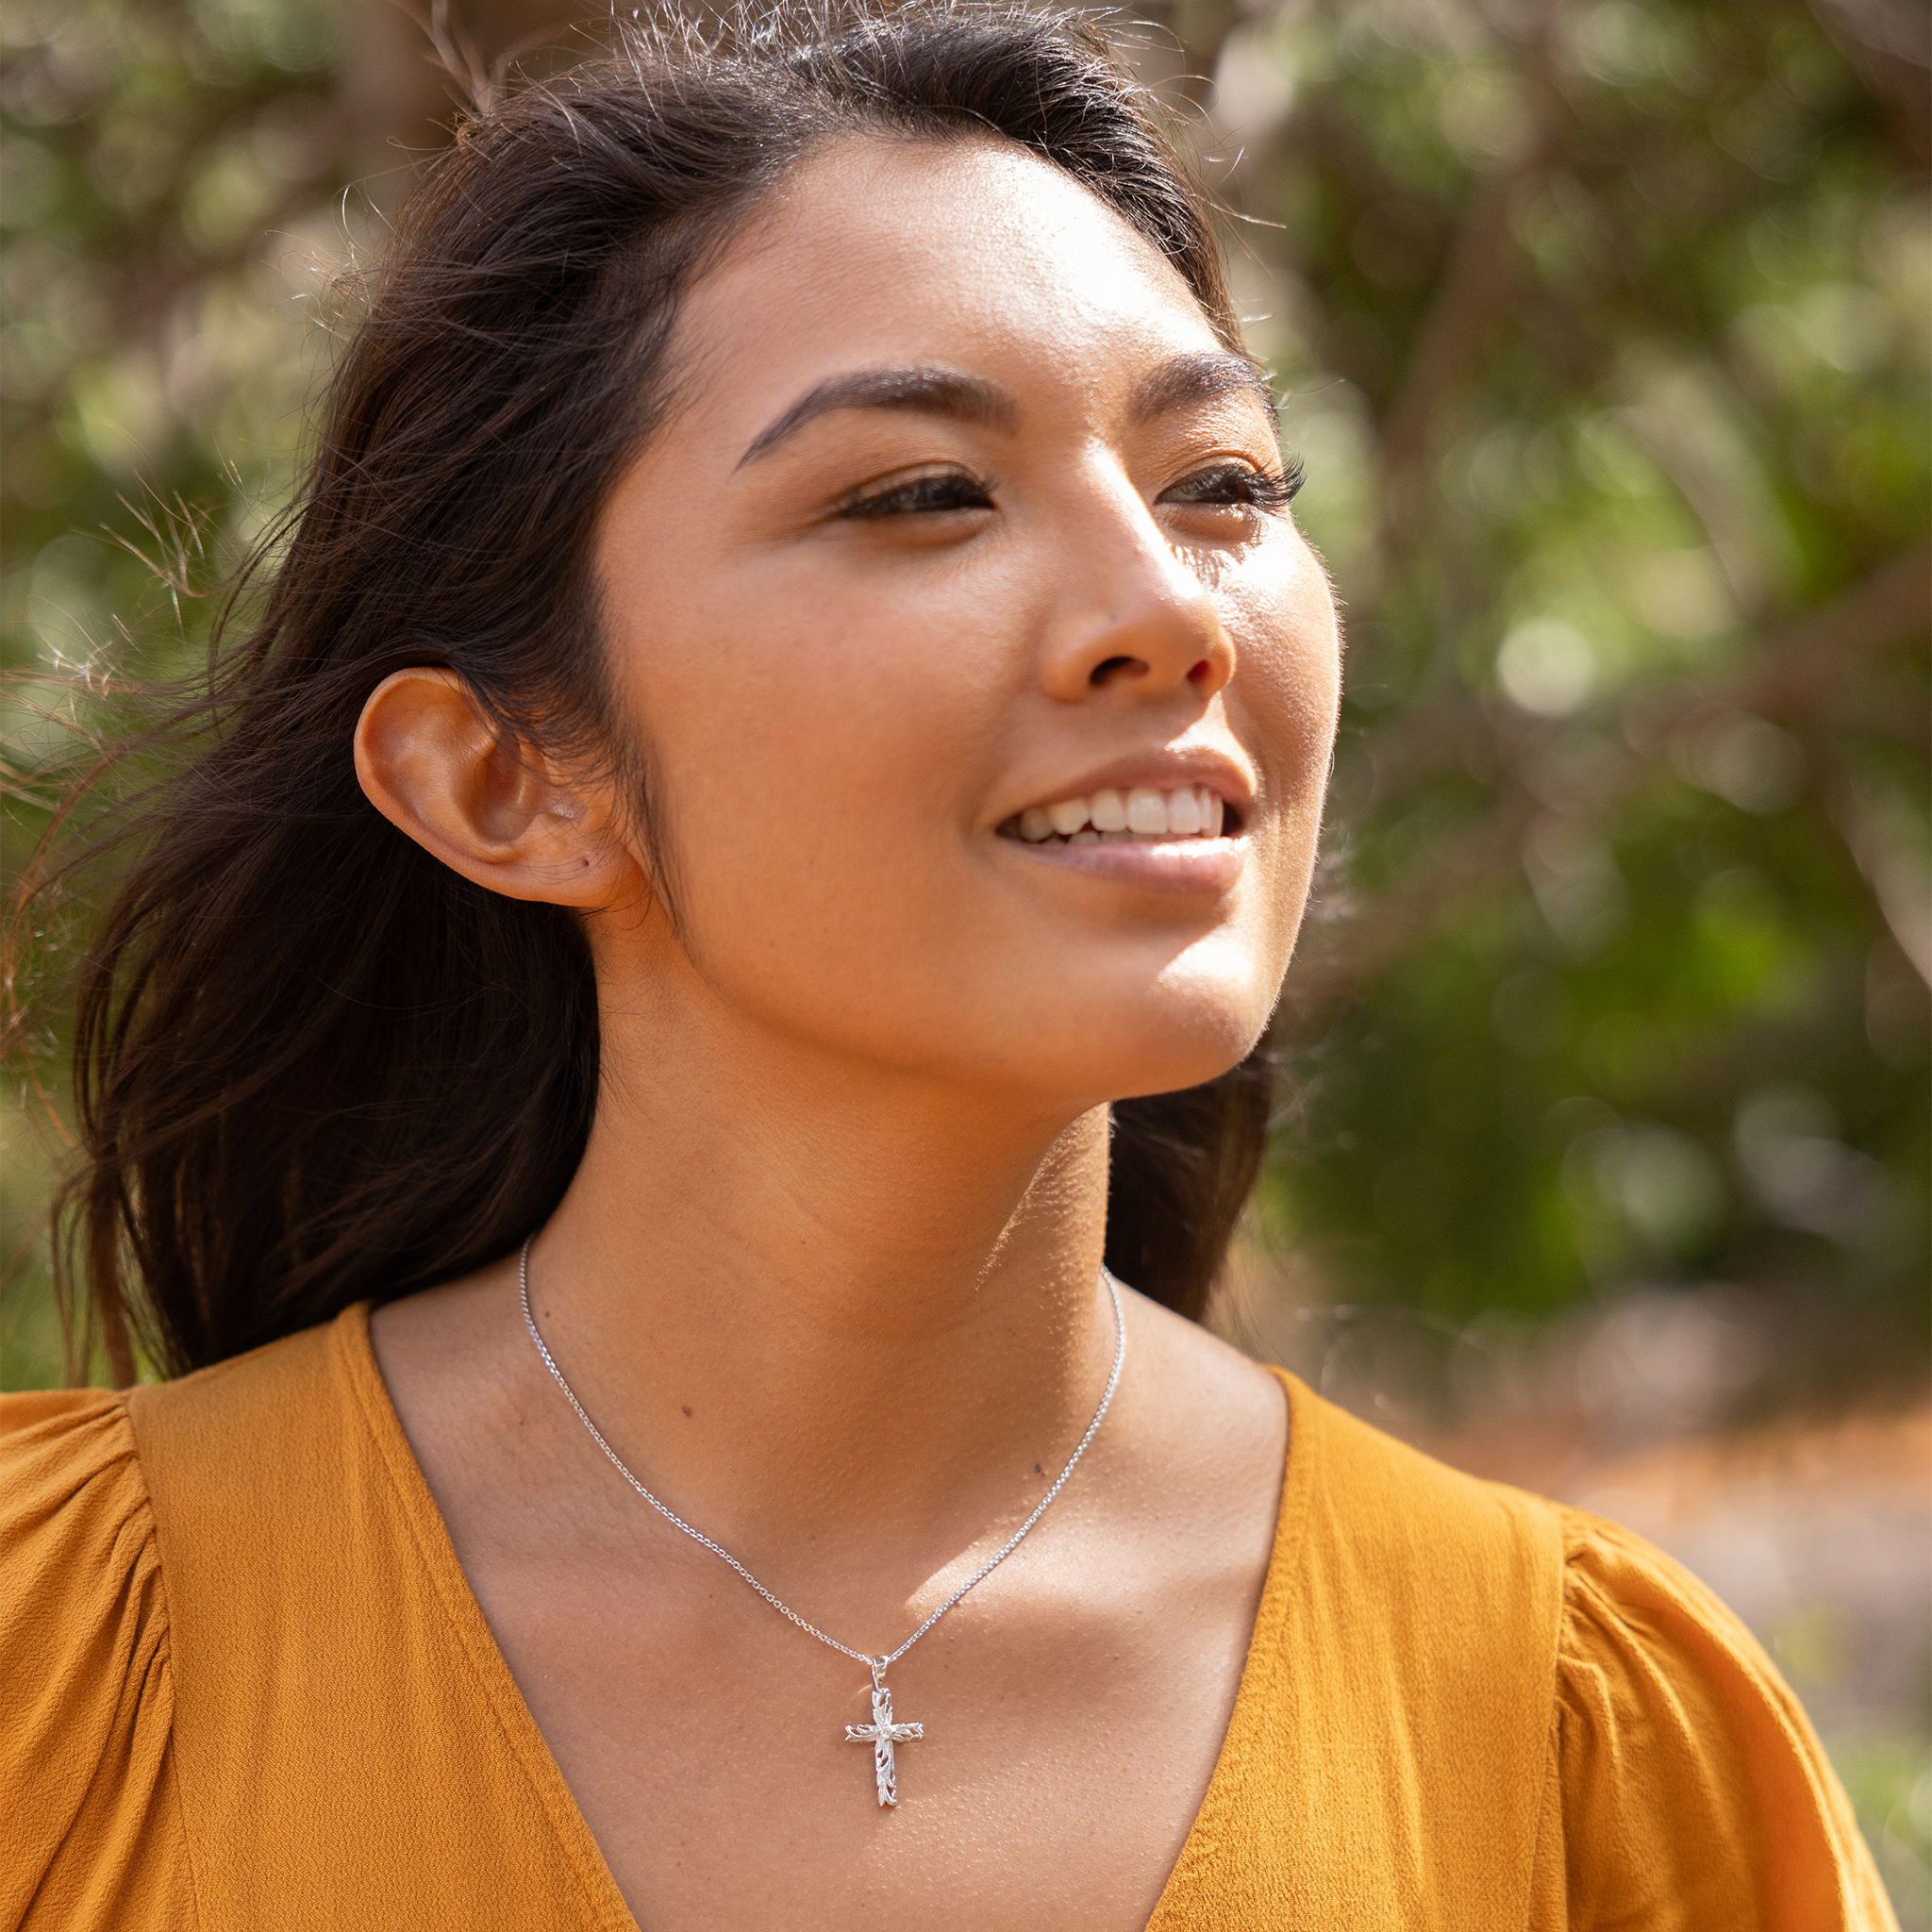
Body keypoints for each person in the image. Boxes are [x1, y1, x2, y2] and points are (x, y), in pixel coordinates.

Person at [0, 7, 1894, 1927]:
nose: (1165, 608)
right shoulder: (55, 1660)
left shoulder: (1577, 1747)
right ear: (508, 779)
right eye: (922, 494)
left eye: (1222, 484)